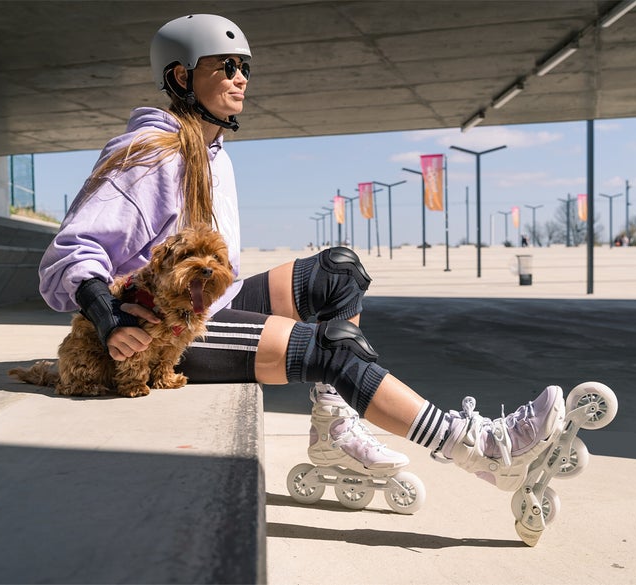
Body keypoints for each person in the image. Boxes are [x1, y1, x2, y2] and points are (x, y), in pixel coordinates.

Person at [38, 14, 564, 494]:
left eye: (244, 67)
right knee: (334, 347)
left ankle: (336, 428)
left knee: (339, 271)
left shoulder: (213, 153)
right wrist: (108, 318)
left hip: (209, 299)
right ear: (182, 78)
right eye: (227, 67)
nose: (242, 77)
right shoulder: (149, 153)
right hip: (171, 328)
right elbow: (73, 249)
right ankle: (480, 448)